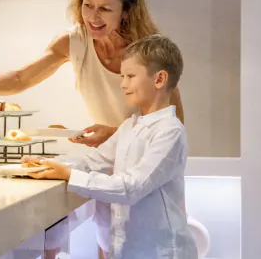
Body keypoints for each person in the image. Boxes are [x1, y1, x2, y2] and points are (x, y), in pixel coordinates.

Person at [0, 0, 186, 255]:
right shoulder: (73, 42)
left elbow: (173, 120)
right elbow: (22, 77)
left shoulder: (148, 53)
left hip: (145, 166)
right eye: (88, 5)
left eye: (105, 9)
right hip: (107, 163)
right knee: (111, 241)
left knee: (147, 241)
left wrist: (113, 135)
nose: (93, 17)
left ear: (126, 10)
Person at [22, 34, 197, 259]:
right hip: (129, 250)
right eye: (122, 76)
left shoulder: (170, 131)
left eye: (130, 76)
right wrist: (49, 164)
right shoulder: (129, 126)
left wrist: (69, 175)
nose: (123, 84)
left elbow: (132, 187)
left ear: (159, 79)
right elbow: (93, 161)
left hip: (161, 252)